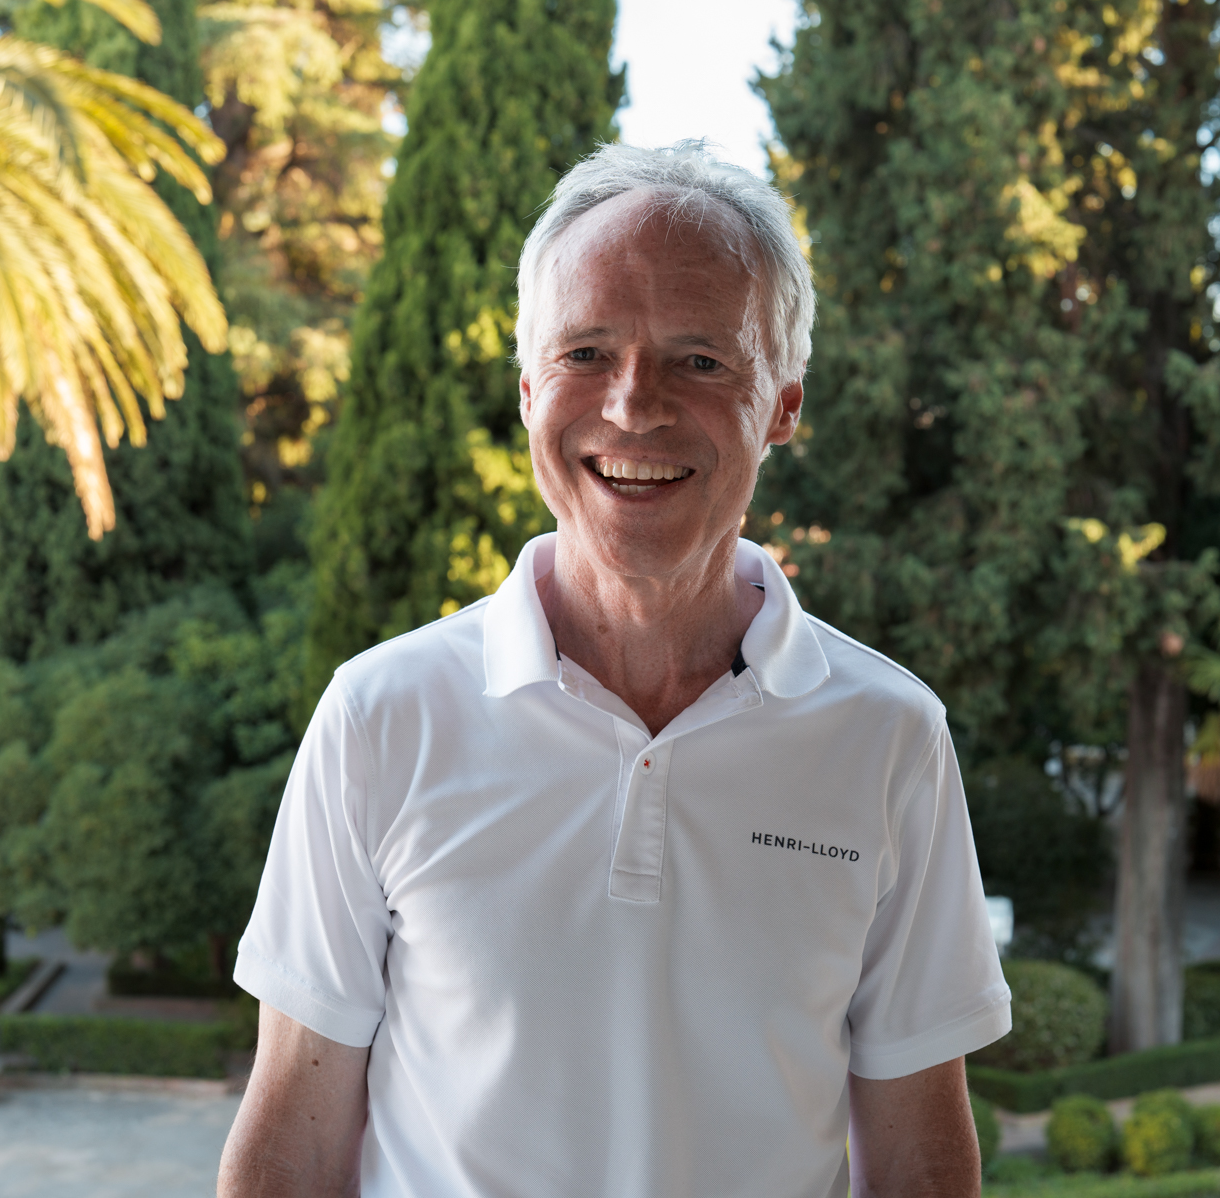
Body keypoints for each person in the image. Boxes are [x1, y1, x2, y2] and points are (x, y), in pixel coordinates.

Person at [218, 140, 1011, 1198]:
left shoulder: (887, 738)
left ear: (782, 404)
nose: (633, 406)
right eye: (586, 352)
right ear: (528, 386)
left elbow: (919, 1159)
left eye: (701, 359)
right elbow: (295, 1144)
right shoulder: (382, 716)